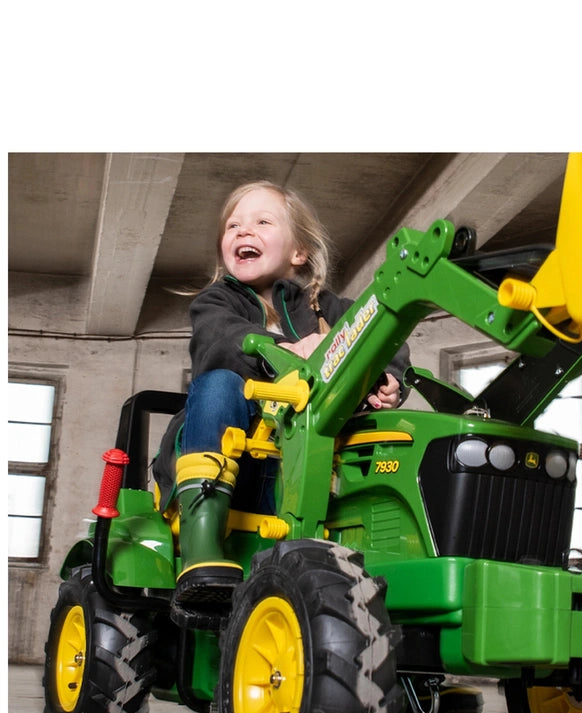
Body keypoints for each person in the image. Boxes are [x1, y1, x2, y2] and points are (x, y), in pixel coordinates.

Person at [155, 180, 410, 611]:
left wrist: (387, 376)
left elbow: (379, 332)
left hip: (302, 457)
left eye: (262, 222)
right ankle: (201, 537)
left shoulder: (326, 310)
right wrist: (285, 351)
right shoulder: (217, 301)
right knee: (219, 381)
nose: (243, 231)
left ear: (299, 252)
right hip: (232, 447)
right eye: (233, 225)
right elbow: (219, 341)